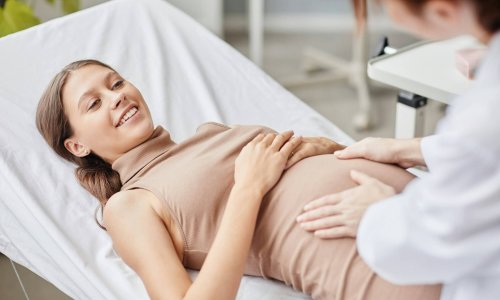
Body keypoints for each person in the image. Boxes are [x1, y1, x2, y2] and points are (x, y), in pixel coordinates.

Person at [36, 59, 441, 300]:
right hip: (391, 267)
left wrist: (325, 146)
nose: (117, 96)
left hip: (438, 209)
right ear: (77, 146)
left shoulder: (209, 132)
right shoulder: (130, 204)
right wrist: (249, 186)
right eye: (94, 103)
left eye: (117, 83)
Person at [296, 0, 500, 299]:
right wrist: (411, 149)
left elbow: (429, 241)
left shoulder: (483, 118)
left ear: (442, 11)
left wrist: (375, 212)